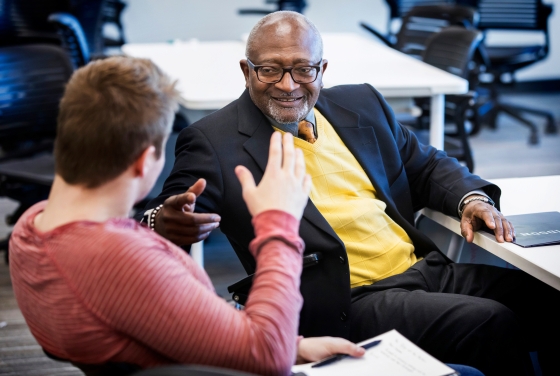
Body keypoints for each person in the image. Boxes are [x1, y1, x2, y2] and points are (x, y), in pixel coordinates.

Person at [141, 11, 560, 376]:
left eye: (303, 70)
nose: (288, 85)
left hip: (426, 270)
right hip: (349, 299)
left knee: (548, 300)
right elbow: (162, 213)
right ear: (247, 70)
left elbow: (428, 164)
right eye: (270, 70)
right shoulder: (213, 140)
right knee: (488, 323)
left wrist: (473, 200)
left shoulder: (362, 104)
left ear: (322, 69)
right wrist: (164, 220)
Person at [8, 56, 371, 375]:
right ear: (144, 161)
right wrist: (279, 224)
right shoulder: (119, 259)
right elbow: (267, 358)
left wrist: (295, 347)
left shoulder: (32, 228)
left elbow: (179, 324)